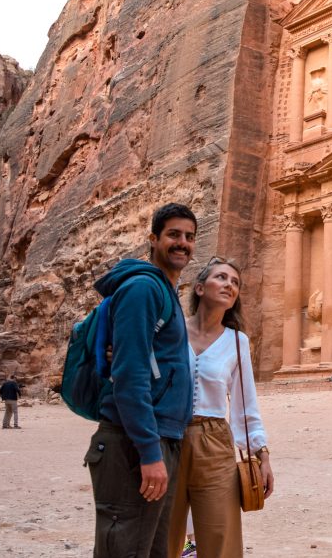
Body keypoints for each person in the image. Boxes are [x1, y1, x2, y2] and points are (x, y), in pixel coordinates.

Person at [84, 203, 197, 558]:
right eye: (174, 235)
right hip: (134, 445)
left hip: (157, 440)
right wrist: (150, 451)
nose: (183, 243)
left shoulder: (165, 292)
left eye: (189, 237)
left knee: (153, 551)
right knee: (126, 549)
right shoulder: (143, 289)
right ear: (153, 238)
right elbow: (130, 375)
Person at [167, 257, 274, 558]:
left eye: (235, 282)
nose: (230, 284)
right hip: (167, 439)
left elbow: (244, 406)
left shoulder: (237, 342)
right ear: (199, 287)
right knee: (161, 536)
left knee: (219, 537)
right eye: (222, 277)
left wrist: (261, 455)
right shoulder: (170, 333)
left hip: (214, 442)